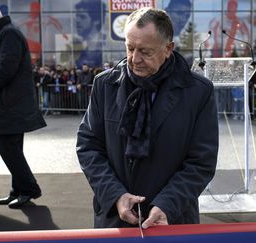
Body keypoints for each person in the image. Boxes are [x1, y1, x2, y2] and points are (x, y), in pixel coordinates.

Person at [76, 7, 219, 228]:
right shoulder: (104, 85)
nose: (135, 59)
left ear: (168, 48)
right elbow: (88, 146)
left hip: (172, 219)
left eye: (145, 51)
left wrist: (167, 204)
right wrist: (116, 195)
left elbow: (201, 162)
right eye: (130, 48)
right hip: (114, 218)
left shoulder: (198, 92)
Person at [0, 3, 46, 208]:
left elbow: (6, 67)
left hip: (11, 105)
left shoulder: (8, 34)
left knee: (8, 148)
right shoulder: (2, 34)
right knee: (13, 148)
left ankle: (30, 189)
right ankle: (19, 190)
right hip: (8, 104)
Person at [74, 0, 106, 68]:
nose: (77, 20)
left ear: (96, 20)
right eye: (77, 16)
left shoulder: (106, 43)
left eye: (82, 17)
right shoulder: (77, 43)